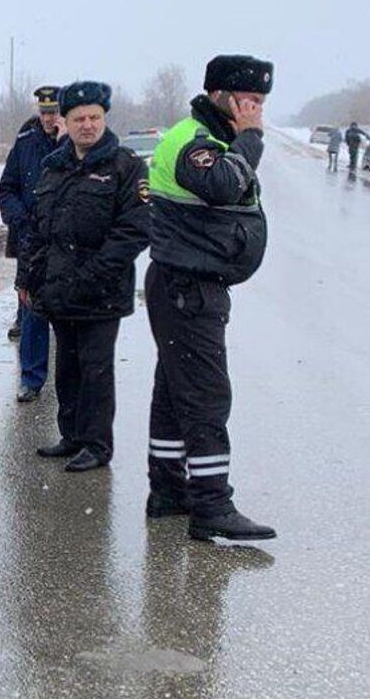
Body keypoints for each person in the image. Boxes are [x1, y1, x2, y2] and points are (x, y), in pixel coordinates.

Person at [144, 54, 275, 541]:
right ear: (222, 95)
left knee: (174, 395)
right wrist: (252, 138)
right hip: (187, 288)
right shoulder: (195, 142)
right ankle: (212, 505)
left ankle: (168, 491)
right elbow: (222, 185)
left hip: (187, 286)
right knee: (205, 396)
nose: (257, 110)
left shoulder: (213, 138)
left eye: (261, 102)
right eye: (250, 100)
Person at [17, 81, 150, 471]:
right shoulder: (54, 167)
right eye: (79, 119)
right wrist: (28, 278)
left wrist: (90, 276)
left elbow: (134, 230)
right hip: (58, 291)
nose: (87, 125)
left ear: (104, 118)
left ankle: (96, 444)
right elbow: (39, 229)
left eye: (94, 117)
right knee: (68, 369)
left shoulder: (125, 166)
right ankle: (71, 435)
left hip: (101, 293)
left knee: (95, 370)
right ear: (65, 122)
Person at [0, 85, 62, 402]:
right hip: (32, 241)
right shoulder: (25, 143)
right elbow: (6, 188)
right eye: (45, 112)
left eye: (55, 112)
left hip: (66, 242)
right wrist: (18, 219)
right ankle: (31, 379)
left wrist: (64, 141)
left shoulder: (75, 142)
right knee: (32, 313)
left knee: (67, 315)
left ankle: (71, 382)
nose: (50, 118)